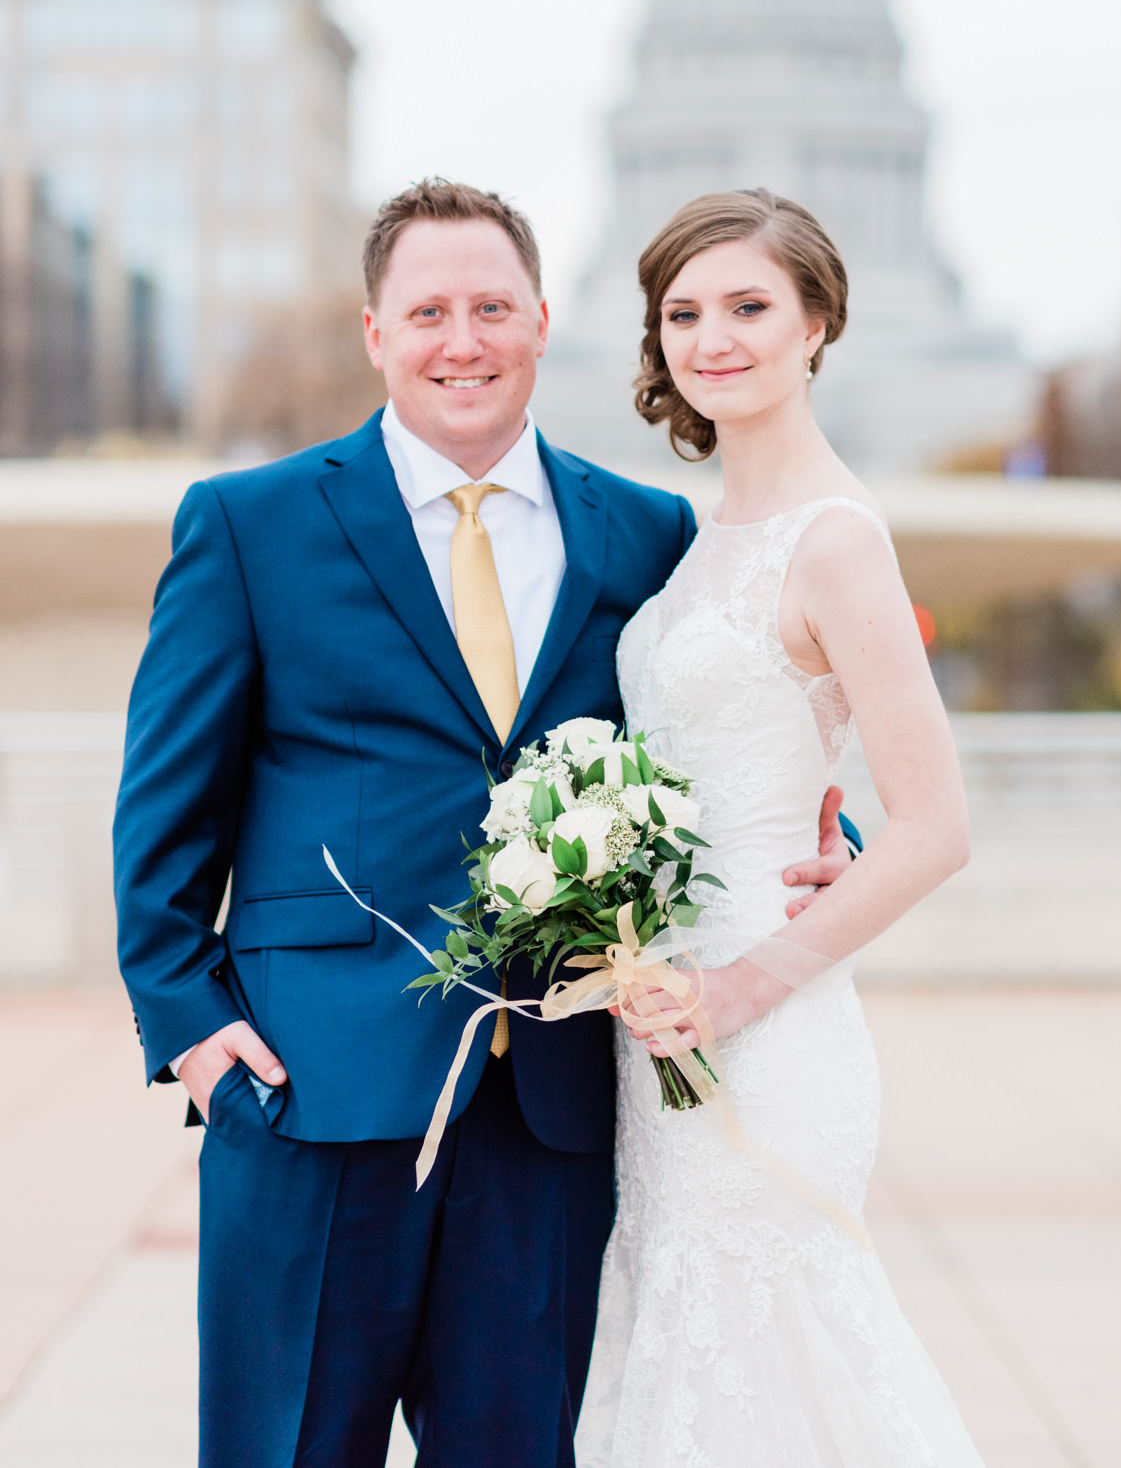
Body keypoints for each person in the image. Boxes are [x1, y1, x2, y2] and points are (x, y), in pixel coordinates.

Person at [112, 179, 853, 1468]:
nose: (464, 339)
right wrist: (189, 1031)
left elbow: (712, 713)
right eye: (430, 310)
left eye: (492, 308)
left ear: (542, 323)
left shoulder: (646, 533)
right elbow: (165, 805)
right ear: (375, 333)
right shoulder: (250, 525)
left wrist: (815, 839)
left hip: (550, 1121)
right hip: (308, 1098)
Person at [576, 188, 986, 1467]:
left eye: (749, 306)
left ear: (818, 324)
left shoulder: (838, 540)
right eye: (684, 312)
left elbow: (936, 826)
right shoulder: (698, 540)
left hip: (764, 1020)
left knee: (774, 1349)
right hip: (663, 1020)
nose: (713, 338)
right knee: (684, 1359)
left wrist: (741, 989)